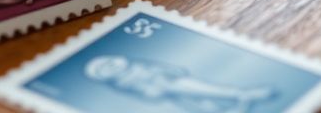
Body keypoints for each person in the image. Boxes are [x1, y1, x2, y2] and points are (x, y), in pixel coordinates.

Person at [84, 55, 276, 113]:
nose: (110, 68)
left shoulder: (140, 65)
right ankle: (241, 96)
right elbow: (140, 92)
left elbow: (160, 66)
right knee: (193, 101)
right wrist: (152, 89)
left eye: (109, 64)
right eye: (104, 70)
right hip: (162, 89)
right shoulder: (123, 83)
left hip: (171, 81)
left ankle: (238, 96)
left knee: (201, 91)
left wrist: (168, 72)